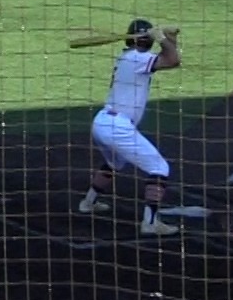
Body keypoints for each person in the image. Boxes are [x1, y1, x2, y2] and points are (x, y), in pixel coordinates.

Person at [77, 18, 184, 235]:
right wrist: (163, 38)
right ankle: (150, 223)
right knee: (159, 168)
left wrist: (170, 36)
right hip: (117, 126)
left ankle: (88, 203)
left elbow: (171, 57)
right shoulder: (137, 58)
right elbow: (173, 60)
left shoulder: (128, 57)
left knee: (114, 163)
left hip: (104, 122)